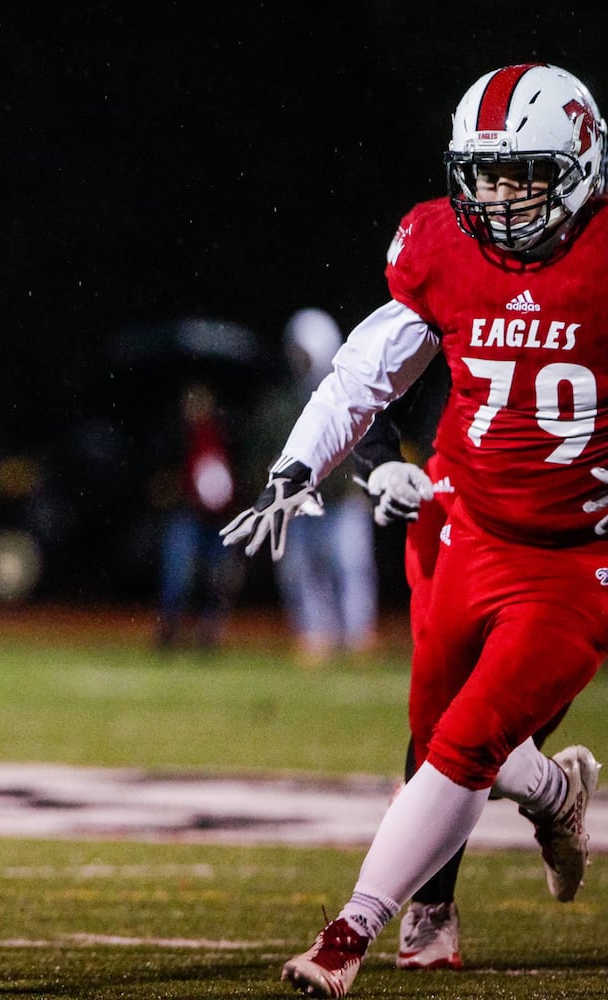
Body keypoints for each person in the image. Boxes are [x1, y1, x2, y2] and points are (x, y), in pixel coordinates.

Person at [221, 62, 606, 996]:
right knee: (437, 728)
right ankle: (552, 795)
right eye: (483, 174)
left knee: (464, 740)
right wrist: (305, 464)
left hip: (573, 557)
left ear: (584, 164)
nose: (498, 198)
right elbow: (365, 373)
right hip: (460, 524)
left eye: (523, 175)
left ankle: (352, 929)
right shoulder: (441, 246)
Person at [354, 379, 584, 972]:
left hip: (559, 519)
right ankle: (434, 905)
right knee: (447, 726)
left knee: (505, 718)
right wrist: (380, 461)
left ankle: (547, 791)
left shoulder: (586, 296)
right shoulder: (461, 286)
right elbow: (369, 380)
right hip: (457, 508)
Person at [267, 310, 379, 666]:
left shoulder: (350, 395)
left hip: (342, 500)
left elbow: (365, 446)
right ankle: (316, 634)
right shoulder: (284, 403)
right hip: (301, 502)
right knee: (304, 573)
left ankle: (358, 633)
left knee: (351, 569)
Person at [153, 381, 240, 650]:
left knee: (220, 578)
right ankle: (169, 629)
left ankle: (210, 632)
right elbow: (161, 479)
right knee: (178, 576)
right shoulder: (176, 437)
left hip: (219, 518)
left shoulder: (225, 434)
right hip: (187, 514)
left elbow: (236, 474)